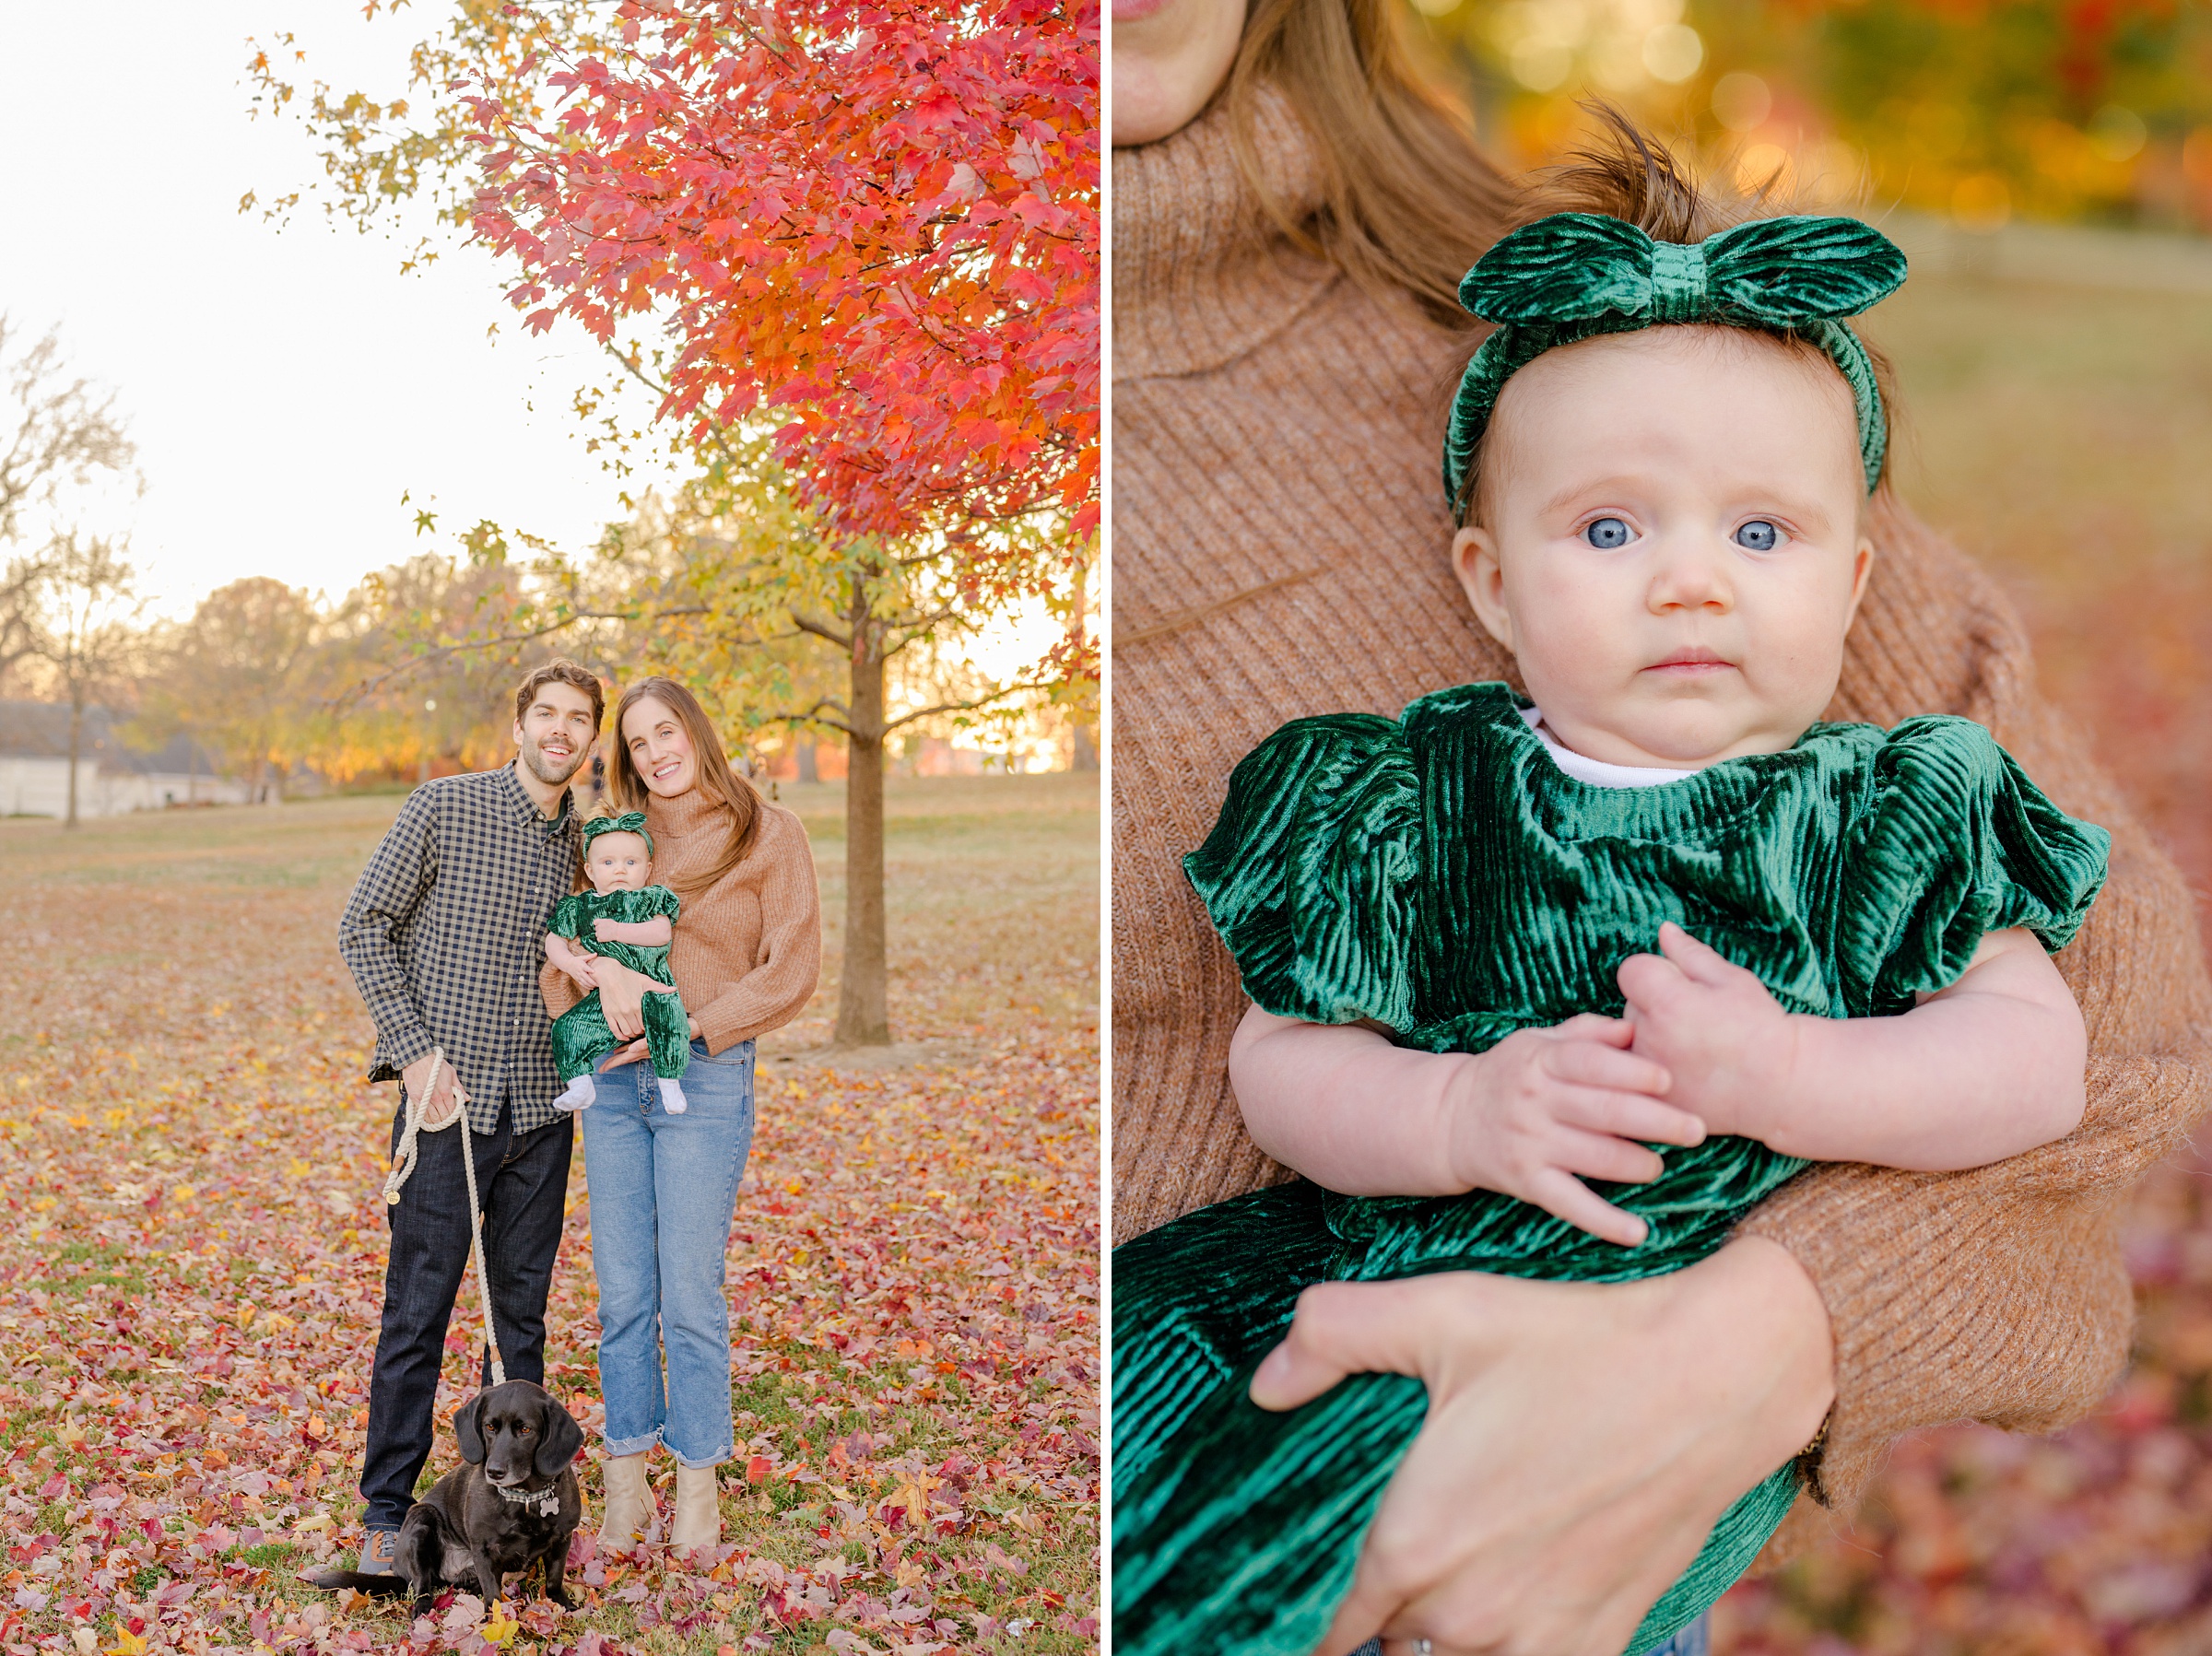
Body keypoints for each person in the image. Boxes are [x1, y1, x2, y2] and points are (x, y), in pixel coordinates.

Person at [1110, 4, 2212, 1653]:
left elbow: (2052, 1054)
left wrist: (1795, 1089)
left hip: (1568, 1450)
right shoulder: (1420, 794)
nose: (1691, 577)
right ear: (1484, 576)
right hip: (1283, 1309)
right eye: (1610, 529)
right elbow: (1285, 1061)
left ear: (1850, 579)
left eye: (1761, 535)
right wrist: (1460, 1107)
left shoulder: (1878, 803)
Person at [333, 658, 603, 1577]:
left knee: (517, 1325)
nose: (561, 730)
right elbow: (363, 924)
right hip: (447, 1108)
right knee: (419, 1312)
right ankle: (384, 1512)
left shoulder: (588, 849)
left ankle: (507, 1518)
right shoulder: (445, 807)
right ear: (520, 723)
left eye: (578, 719)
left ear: (590, 739)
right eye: (548, 714)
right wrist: (413, 1053)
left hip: (542, 1114)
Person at [540, 675, 821, 1554]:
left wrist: (690, 1026)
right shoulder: (612, 840)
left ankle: (698, 1487)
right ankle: (626, 1484)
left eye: (668, 732)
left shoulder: (768, 833)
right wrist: (595, 979)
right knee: (624, 1293)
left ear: (697, 732)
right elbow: (566, 949)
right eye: (637, 743)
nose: (657, 753)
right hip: (613, 1091)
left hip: (702, 1080)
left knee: (689, 1294)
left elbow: (791, 969)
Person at [545, 809, 692, 1116]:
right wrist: (571, 964)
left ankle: (670, 1081)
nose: (620, 870)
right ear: (590, 869)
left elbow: (662, 932)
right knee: (567, 1028)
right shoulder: (581, 905)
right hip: (604, 999)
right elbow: (554, 940)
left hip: (654, 986)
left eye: (631, 862)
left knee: (670, 1021)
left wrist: (617, 930)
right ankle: (579, 1085)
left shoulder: (650, 898)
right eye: (608, 863)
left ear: (647, 868)